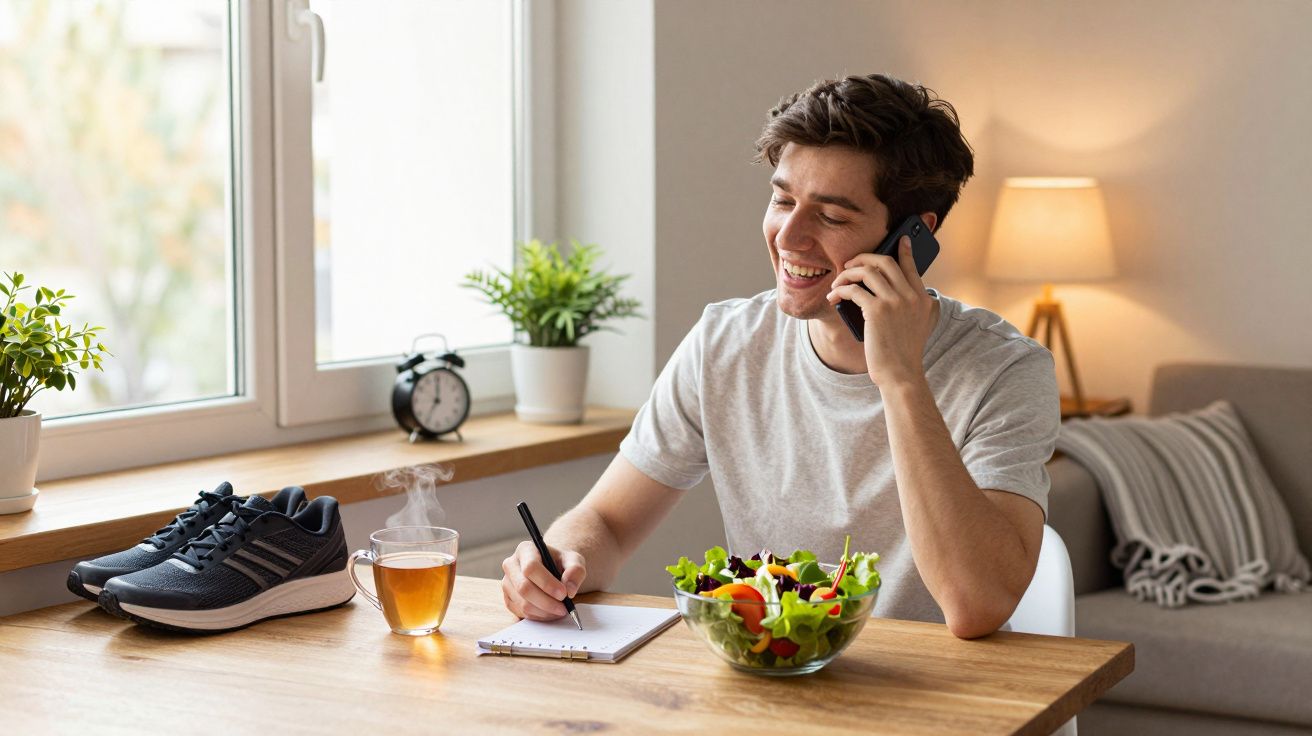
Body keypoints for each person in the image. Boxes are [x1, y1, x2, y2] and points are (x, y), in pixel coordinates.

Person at [499, 73, 1060, 639]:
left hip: (943, 688)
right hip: (772, 673)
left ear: (912, 238)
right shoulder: (725, 343)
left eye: (832, 216)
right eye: (783, 200)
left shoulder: (1006, 371)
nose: (789, 236)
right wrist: (559, 559)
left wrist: (901, 379)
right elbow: (607, 523)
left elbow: (976, 605)